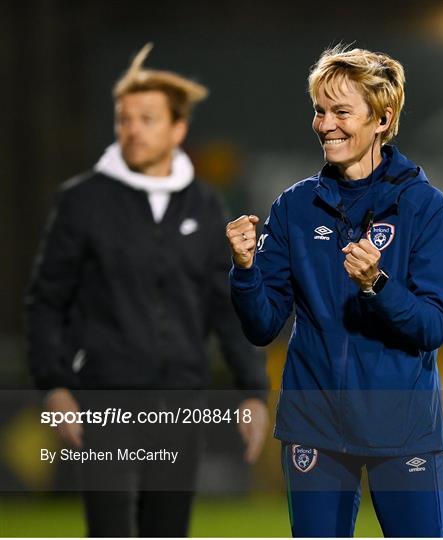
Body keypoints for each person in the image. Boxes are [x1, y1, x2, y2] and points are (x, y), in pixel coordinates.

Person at [26, 43, 269, 537]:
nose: (132, 129)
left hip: (180, 399)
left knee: (168, 530)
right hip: (105, 399)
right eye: (124, 118)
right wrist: (53, 384)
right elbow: (47, 300)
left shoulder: (204, 204)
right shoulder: (83, 202)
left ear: (178, 130)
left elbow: (227, 306)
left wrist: (253, 391)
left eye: (147, 118)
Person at [226, 45, 443, 538]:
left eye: (340, 111)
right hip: (316, 427)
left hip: (403, 430)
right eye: (319, 110)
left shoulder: (426, 208)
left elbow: (433, 326)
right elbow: (262, 325)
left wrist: (378, 285)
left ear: (382, 118)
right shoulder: (295, 207)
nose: (325, 123)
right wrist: (245, 268)